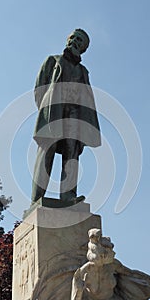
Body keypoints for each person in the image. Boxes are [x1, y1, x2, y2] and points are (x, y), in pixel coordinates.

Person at [31, 29, 101, 204]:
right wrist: (48, 110)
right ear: (68, 39)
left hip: (75, 116)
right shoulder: (53, 61)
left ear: (83, 48)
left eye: (80, 41)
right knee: (47, 152)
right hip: (55, 112)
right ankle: (37, 198)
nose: (75, 42)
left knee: (71, 156)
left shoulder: (83, 71)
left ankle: (68, 196)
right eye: (74, 38)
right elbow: (40, 89)